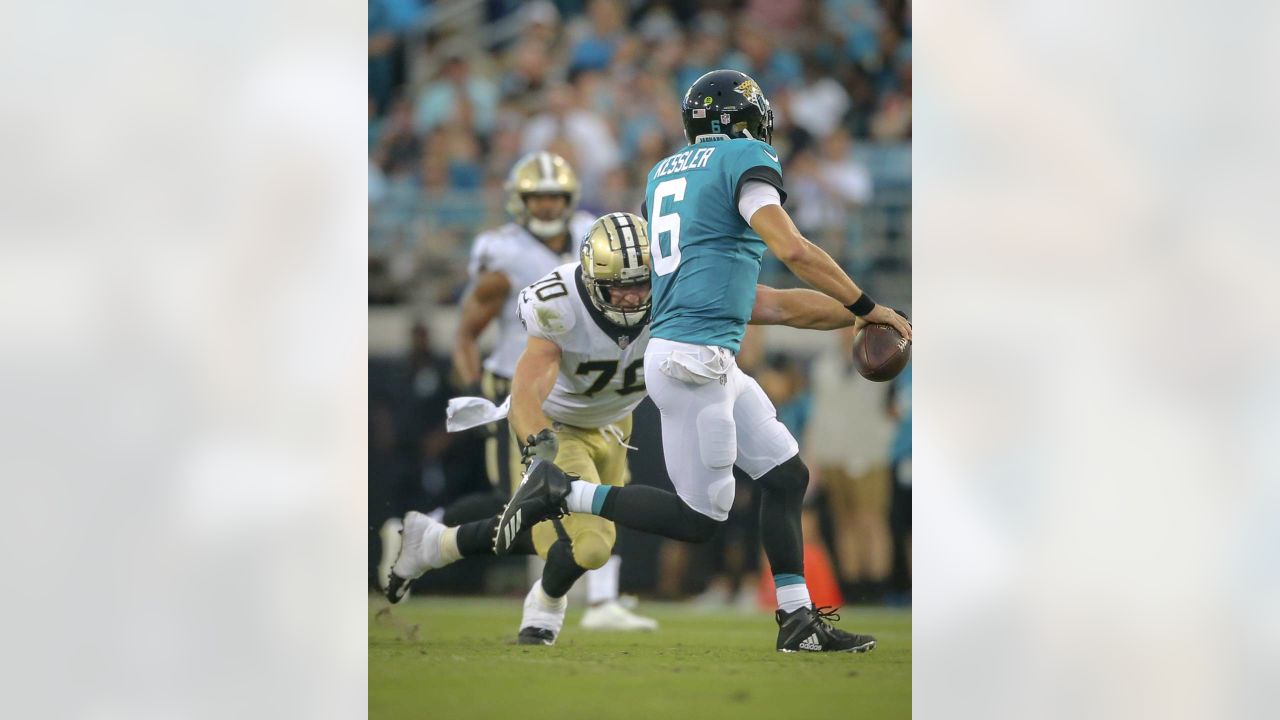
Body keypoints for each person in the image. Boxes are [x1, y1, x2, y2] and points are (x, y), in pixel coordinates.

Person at [493, 69, 911, 653]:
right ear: (739, 120)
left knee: (786, 474)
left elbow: (771, 303)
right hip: (695, 361)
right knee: (700, 519)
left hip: (698, 353)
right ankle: (564, 494)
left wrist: (862, 315)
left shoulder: (664, 173)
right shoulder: (746, 157)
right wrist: (865, 302)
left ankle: (797, 619)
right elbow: (791, 248)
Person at [387, 212, 870, 644]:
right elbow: (529, 385)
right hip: (562, 424)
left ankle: (435, 544)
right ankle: (538, 597)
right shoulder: (559, 301)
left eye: (642, 283)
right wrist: (540, 448)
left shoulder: (679, 287)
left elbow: (779, 305)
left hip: (617, 423)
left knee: (584, 535)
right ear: (590, 276)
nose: (633, 296)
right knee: (593, 545)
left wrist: (862, 315)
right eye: (619, 285)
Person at [439, 152, 648, 628]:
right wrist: (473, 383)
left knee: (598, 497)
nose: (550, 206)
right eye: (540, 197)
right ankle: (432, 536)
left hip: (594, 389)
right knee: (519, 500)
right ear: (520, 200)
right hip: (528, 384)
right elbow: (467, 331)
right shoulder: (505, 254)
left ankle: (599, 599)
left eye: (556, 196)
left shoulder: (597, 239)